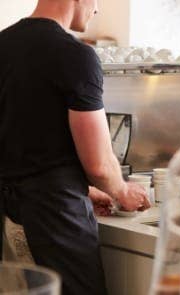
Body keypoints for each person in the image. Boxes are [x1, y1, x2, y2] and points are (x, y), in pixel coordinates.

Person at [0, 0, 151, 294]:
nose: (96, 10)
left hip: (9, 214)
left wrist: (83, 188)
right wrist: (121, 190)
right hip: (55, 218)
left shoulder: (3, 45)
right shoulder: (75, 55)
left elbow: (30, 141)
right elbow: (98, 163)